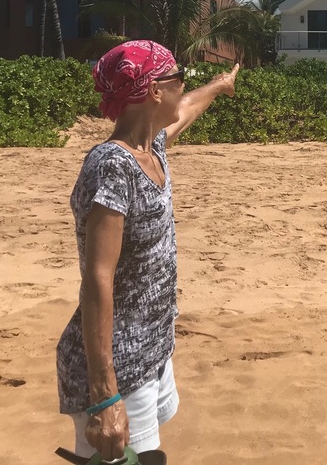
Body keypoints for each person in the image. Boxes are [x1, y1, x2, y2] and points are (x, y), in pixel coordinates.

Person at [56, 40, 239, 460]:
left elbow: (188, 108)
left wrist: (217, 86)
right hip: (117, 365)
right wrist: (105, 399)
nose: (182, 87)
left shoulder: (149, 147)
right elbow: (97, 280)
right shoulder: (112, 167)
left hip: (152, 347)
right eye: (179, 78)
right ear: (155, 90)